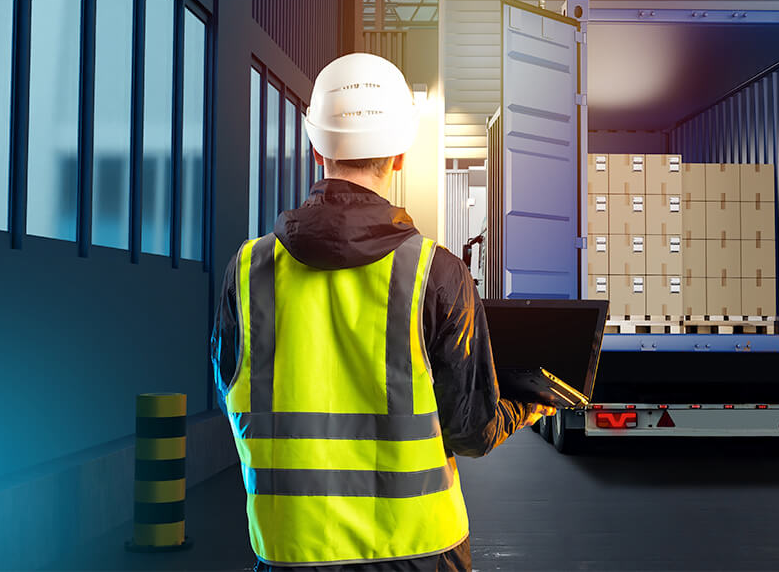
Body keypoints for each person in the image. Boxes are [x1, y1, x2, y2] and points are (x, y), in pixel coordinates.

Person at [210, 52, 554, 571]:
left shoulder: (247, 270)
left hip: (291, 556)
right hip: (420, 554)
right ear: (399, 155)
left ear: (314, 145)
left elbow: (232, 393)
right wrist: (530, 403)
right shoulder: (436, 274)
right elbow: (471, 431)